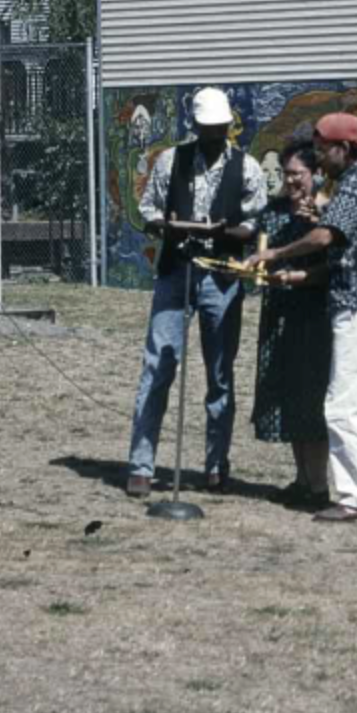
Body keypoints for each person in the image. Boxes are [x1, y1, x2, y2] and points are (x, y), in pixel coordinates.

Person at [245, 113, 357, 523]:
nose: (319, 158)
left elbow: (326, 237)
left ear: (343, 149)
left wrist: (274, 253)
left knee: (345, 406)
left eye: (322, 150)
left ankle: (354, 499)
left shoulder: (355, 183)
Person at [127, 87, 267, 497]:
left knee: (220, 373)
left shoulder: (247, 167)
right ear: (195, 127)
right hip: (177, 270)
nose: (214, 135)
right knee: (158, 365)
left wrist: (227, 232)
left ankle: (216, 464)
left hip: (221, 277)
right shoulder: (171, 160)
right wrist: (166, 227)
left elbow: (255, 222)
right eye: (207, 129)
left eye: (220, 128)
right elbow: (148, 209)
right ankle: (141, 464)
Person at [252, 142, 333, 502]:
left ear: (315, 173)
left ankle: (318, 485)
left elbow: (332, 261)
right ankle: (302, 479)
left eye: (297, 174)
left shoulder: (328, 210)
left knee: (311, 399)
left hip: (313, 315)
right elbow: (261, 250)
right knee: (289, 397)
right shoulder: (274, 211)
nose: (290, 181)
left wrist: (316, 219)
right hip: (280, 311)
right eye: (286, 174)